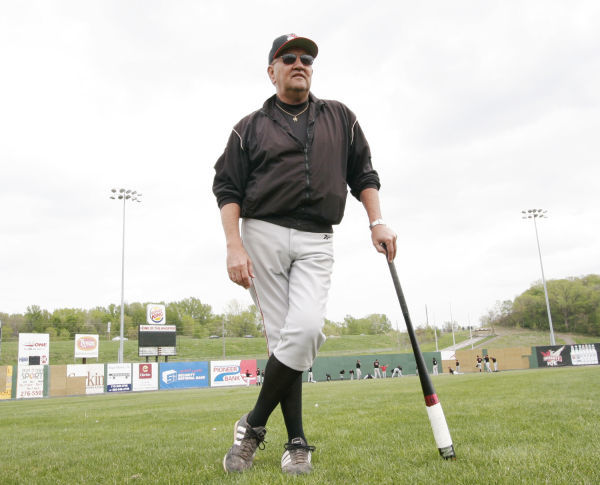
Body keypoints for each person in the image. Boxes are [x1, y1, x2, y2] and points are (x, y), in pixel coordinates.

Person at [214, 33, 397, 475]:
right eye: (289, 57)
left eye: (307, 58)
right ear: (272, 70)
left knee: (307, 330)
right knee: (284, 340)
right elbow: (227, 188)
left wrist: (376, 222)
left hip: (317, 237)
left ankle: (253, 426)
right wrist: (233, 244)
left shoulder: (340, 117)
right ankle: (296, 443)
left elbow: (364, 173)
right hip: (263, 234)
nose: (300, 63)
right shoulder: (249, 126)